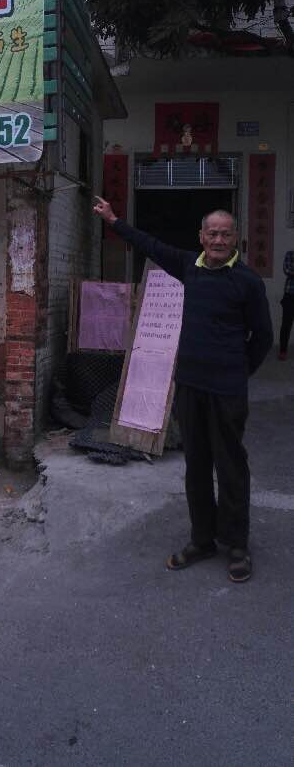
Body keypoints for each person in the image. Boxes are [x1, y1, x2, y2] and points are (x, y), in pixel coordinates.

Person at [93, 197, 273, 583]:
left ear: (235, 238)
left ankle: (236, 544)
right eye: (213, 234)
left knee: (231, 466)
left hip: (227, 391)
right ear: (201, 236)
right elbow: (151, 245)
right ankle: (202, 539)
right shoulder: (190, 268)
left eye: (226, 234)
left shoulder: (247, 282)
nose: (219, 240)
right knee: (197, 467)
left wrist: (238, 371)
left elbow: (263, 337)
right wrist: (114, 220)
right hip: (190, 387)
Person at [278, 249, 294, 360]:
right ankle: (283, 351)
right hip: (290, 295)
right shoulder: (290, 254)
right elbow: (287, 270)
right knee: (286, 324)